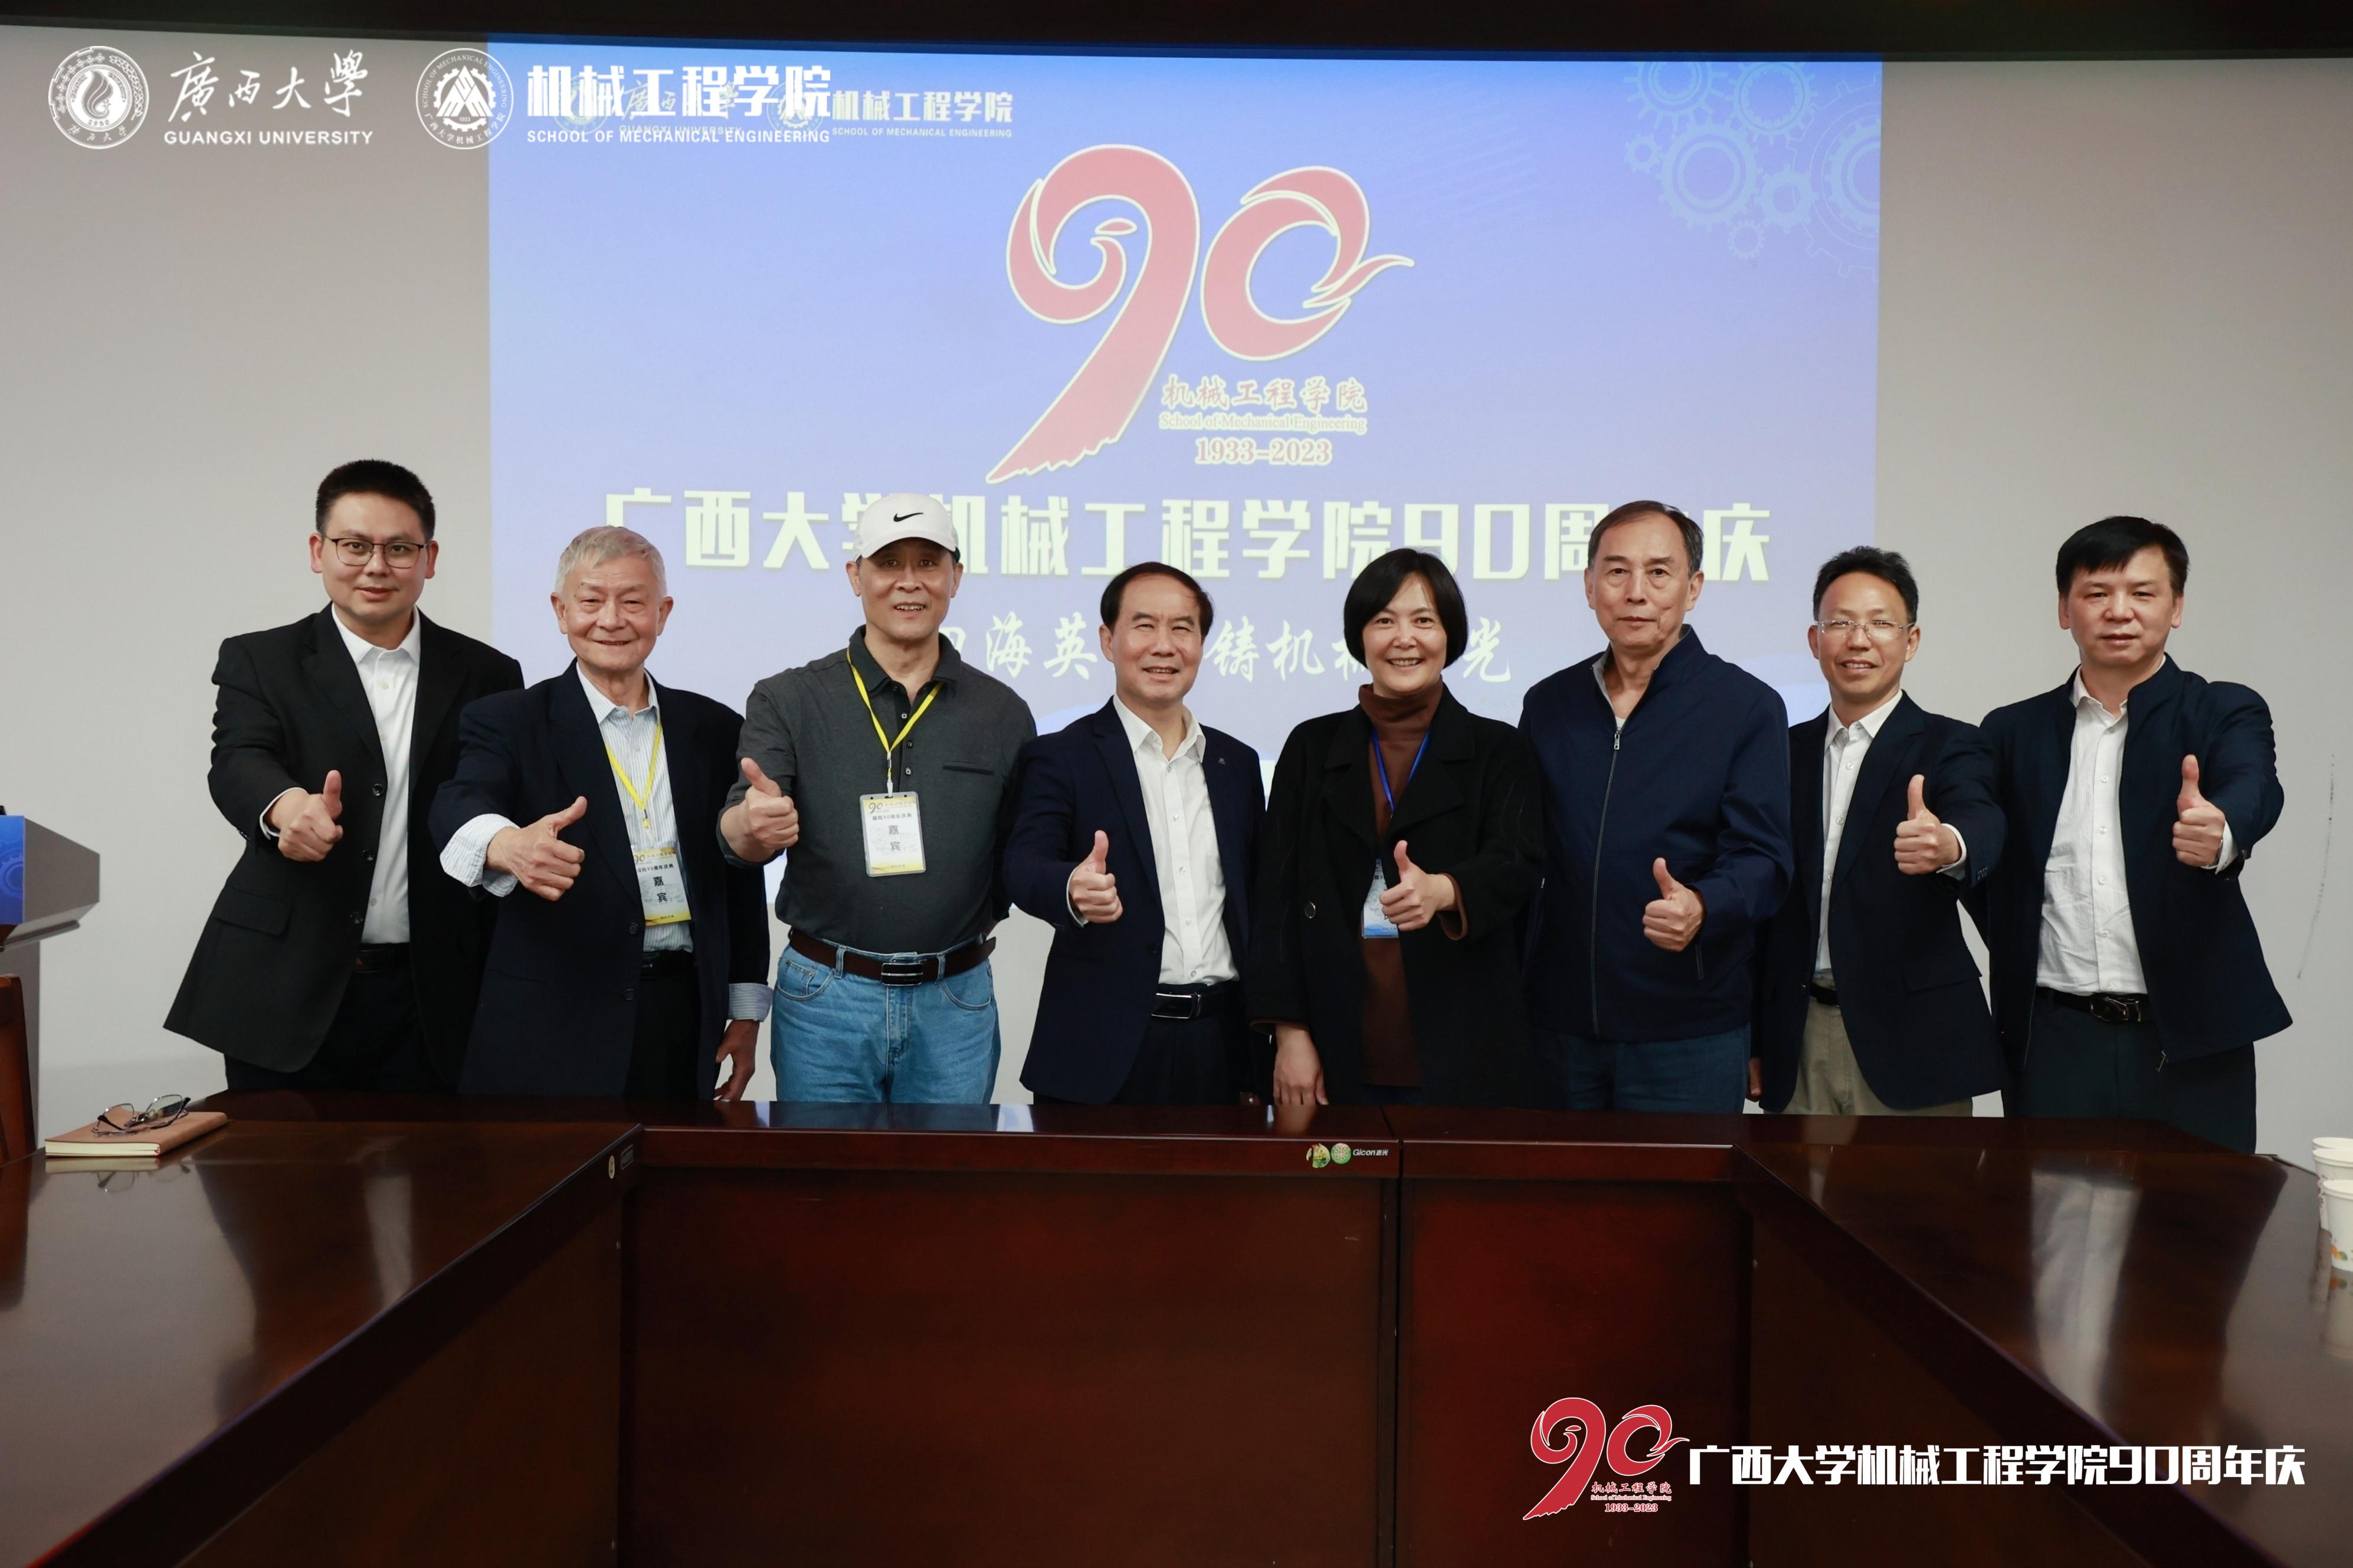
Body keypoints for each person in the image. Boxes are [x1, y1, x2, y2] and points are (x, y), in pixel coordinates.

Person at [166, 461, 523, 1092]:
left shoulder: (488, 673)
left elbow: (489, 793)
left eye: (399, 549)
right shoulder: (262, 658)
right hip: (287, 983)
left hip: (436, 992)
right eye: (355, 546)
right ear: (318, 551)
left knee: (440, 1158)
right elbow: (239, 758)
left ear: (430, 558)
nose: (376, 566)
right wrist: (285, 809)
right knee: (278, 1161)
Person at [1973, 517, 2286, 1152]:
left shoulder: (2222, 709)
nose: (2119, 611)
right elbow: (1990, 859)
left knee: (2202, 1213)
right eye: (2097, 593)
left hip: (2191, 1038)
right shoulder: (2011, 732)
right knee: (2049, 1213)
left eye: (2143, 593)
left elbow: (2255, 784)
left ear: (2177, 608)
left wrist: (2223, 829)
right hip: (2053, 1039)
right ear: (2065, 610)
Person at [431, 527, 770, 1100]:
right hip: (552, 1021)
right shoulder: (509, 720)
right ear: (561, 612)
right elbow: (460, 802)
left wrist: (745, 1011)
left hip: (681, 1014)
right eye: (590, 601)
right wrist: (507, 846)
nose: (611, 620)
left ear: (662, 613)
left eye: (633, 602)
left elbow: (737, 877)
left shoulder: (713, 728)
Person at [719, 493, 1036, 1103]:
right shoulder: (788, 699)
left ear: (955, 577)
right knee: (824, 1166)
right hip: (825, 997)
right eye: (889, 563)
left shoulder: (1002, 712)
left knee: (949, 1166)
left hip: (955, 998)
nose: (909, 582)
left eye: (928, 564)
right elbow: (738, 837)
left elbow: (1014, 854)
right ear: (855, 576)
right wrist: (751, 827)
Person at [1519, 501, 1792, 1113]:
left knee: (1683, 1183)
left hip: (1688, 1032)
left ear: (1693, 588)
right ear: (1590, 586)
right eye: (1616, 572)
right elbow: (1521, 850)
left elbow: (1764, 859)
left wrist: (1704, 904)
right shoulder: (1549, 704)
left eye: (1659, 573)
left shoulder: (1745, 707)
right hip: (1559, 1029)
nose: (1636, 592)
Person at [1248, 549, 1544, 1106]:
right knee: (1340, 1166)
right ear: (1359, 636)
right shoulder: (1312, 746)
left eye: (1424, 620)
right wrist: (1289, 1032)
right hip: (1332, 1035)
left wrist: (1447, 891)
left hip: (1463, 1032)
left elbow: (1519, 861)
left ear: (1450, 635)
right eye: (1384, 620)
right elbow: (1276, 897)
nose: (1404, 639)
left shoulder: (1498, 747)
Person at [1752, 547, 2007, 1116]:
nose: (1858, 641)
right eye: (1840, 623)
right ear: (1815, 640)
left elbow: (1982, 818)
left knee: (1922, 1181)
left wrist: (1949, 845)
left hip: (1914, 1040)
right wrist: (1753, 1038)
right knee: (1792, 1178)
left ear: (1911, 641)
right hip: (1796, 1035)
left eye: (1879, 624)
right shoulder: (1780, 752)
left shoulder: (1951, 743)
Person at [1004, 564, 1263, 1104]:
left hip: (1221, 1046)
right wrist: (1071, 887)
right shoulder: (1062, 755)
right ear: (1108, 641)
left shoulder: (1236, 763)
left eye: (1182, 628)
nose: (1164, 646)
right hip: (1102, 1048)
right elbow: (1023, 863)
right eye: (1144, 626)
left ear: (1201, 644)